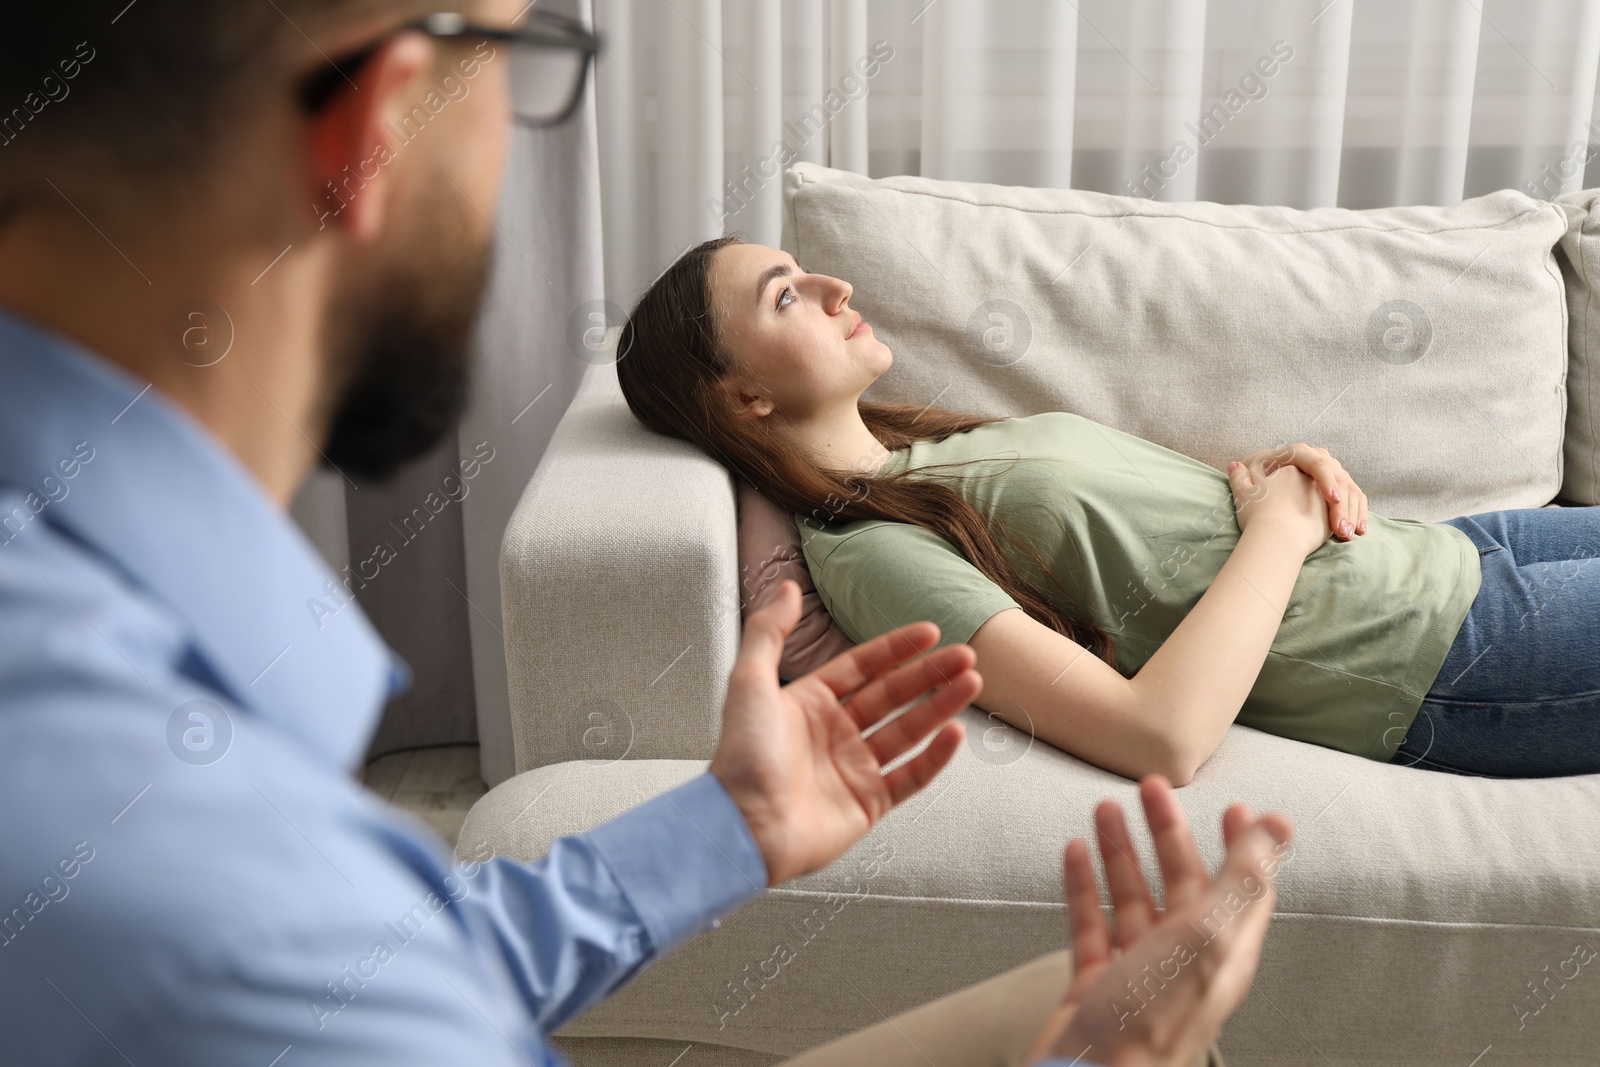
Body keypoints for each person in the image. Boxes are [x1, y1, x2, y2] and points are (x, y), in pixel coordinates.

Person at [0, 2, 1286, 1063]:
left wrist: (720, 827)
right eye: (519, 59)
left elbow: (385, 959)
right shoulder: (177, 851)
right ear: (374, 128)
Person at [615, 235, 1600, 783]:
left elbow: (1153, 544)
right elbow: (1154, 735)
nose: (834, 284)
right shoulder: (871, 556)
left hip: (1447, 551)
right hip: (1437, 657)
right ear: (743, 397)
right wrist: (1281, 529)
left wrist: (1270, 479)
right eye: (786, 296)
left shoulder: (926, 450)